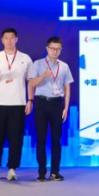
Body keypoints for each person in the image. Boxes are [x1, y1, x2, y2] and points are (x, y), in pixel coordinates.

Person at [0, 28, 32, 181]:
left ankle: (12, 169)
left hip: (18, 104)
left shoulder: (25, 58)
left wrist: (30, 100)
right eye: (6, 38)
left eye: (12, 37)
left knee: (16, 138)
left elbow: (31, 81)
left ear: (16, 39)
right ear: (2, 40)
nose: (9, 41)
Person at [28, 36, 74, 182]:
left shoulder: (64, 66)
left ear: (61, 50)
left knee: (56, 140)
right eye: (52, 48)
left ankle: (55, 172)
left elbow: (67, 87)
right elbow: (32, 84)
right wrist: (43, 75)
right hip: (41, 103)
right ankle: (41, 172)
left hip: (57, 104)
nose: (55, 51)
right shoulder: (37, 64)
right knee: (41, 139)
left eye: (58, 49)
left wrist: (66, 107)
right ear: (47, 48)